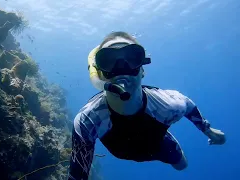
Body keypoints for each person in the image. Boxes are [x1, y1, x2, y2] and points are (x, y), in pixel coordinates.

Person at [67, 31, 226, 180]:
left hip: (160, 146)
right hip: (123, 150)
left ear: (142, 70)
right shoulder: (87, 121)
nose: (122, 68)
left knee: (182, 165)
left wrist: (208, 131)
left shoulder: (167, 104)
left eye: (132, 58)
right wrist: (208, 131)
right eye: (108, 60)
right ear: (100, 73)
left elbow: (188, 105)